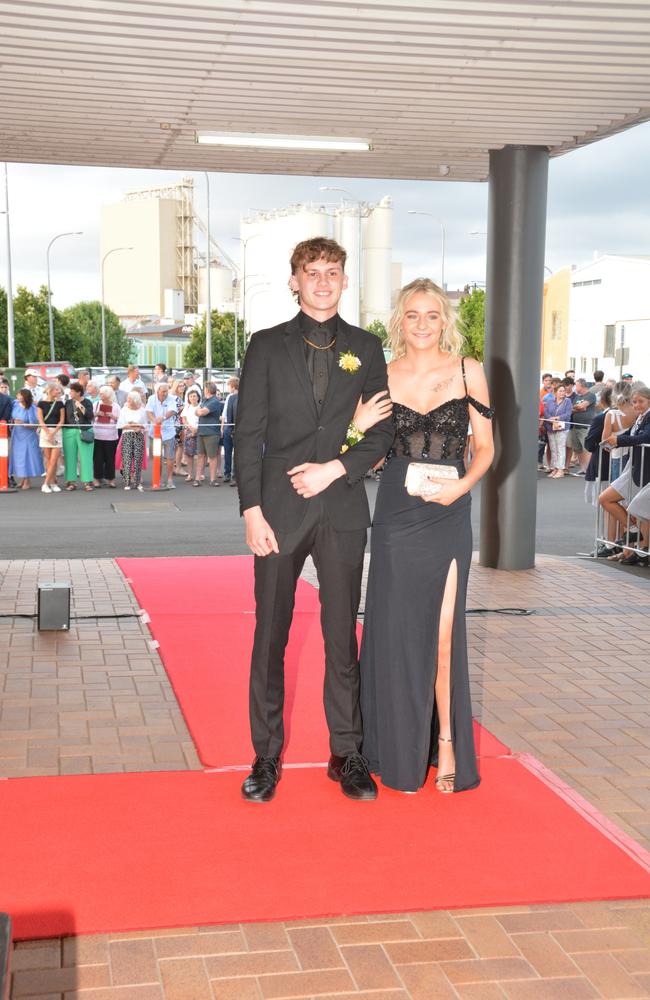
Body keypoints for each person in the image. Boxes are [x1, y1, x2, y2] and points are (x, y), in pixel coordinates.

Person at [235, 236, 394, 803]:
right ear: (294, 280)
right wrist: (251, 510)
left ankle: (346, 753)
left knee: (339, 636)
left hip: (343, 505)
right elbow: (248, 434)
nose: (323, 281)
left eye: (333, 272)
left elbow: (381, 430)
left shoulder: (367, 347)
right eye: (312, 272)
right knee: (270, 633)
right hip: (278, 508)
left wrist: (335, 470)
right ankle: (265, 756)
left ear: (346, 281)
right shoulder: (265, 346)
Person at [355, 278, 493, 794]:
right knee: (393, 631)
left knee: (441, 633)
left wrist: (463, 488)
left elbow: (485, 448)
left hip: (448, 512)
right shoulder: (382, 376)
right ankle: (395, 748)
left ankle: (447, 743)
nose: (421, 324)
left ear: (444, 321)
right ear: (399, 320)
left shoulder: (468, 371)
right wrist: (355, 424)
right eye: (412, 315)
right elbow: (364, 451)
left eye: (431, 315)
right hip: (395, 512)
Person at [599, 386, 650, 566]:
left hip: (643, 470)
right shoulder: (640, 417)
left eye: (640, 401)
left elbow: (645, 437)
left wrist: (619, 440)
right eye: (634, 401)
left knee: (638, 509)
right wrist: (614, 442)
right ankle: (635, 537)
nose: (636, 405)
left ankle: (639, 549)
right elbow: (632, 434)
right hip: (635, 467)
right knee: (606, 499)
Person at [145, 382, 178, 489]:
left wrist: (162, 418)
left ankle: (169, 480)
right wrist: (154, 420)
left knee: (170, 457)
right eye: (163, 391)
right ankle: (157, 480)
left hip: (168, 432)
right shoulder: (151, 399)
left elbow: (172, 411)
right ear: (157, 391)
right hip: (154, 432)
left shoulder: (171, 399)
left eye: (166, 391)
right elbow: (148, 411)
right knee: (156, 457)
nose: (165, 393)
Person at [63, 381, 95, 491]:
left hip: (85, 430)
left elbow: (90, 416)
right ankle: (71, 482)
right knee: (70, 457)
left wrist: (80, 406)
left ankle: (87, 482)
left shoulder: (87, 402)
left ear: (79, 392)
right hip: (69, 431)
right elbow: (65, 418)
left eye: (72, 391)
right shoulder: (67, 403)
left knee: (86, 457)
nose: (70, 393)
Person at [9, 389, 43, 488]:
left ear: (25, 397)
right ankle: (23, 479)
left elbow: (36, 425)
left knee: (28, 456)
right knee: (19, 457)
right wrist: (14, 421)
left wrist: (23, 423)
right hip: (17, 434)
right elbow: (11, 417)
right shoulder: (15, 404)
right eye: (18, 395)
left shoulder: (32, 408)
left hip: (29, 435)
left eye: (20, 395)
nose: (18, 397)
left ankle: (27, 480)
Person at [36, 381, 65, 492]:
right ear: (51, 390)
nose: (58, 392)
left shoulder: (60, 404)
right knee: (48, 460)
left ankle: (45, 483)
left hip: (57, 432)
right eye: (57, 389)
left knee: (54, 460)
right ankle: (53, 483)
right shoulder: (41, 403)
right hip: (45, 432)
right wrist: (48, 432)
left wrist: (53, 432)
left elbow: (61, 420)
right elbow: (40, 420)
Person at [117, 391, 147, 490]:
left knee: (138, 459)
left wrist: (139, 427)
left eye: (130, 399)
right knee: (127, 458)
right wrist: (132, 425)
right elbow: (120, 425)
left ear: (135, 400)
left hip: (139, 436)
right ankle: (127, 482)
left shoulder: (142, 410)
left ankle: (137, 482)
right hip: (127, 435)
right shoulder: (124, 410)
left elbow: (146, 425)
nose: (128, 401)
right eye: (128, 399)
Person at [194, 381, 223, 486]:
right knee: (200, 455)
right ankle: (197, 479)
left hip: (211, 432)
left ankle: (213, 479)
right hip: (201, 431)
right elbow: (197, 411)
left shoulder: (214, 401)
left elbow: (201, 412)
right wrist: (198, 411)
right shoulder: (205, 400)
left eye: (204, 388)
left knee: (212, 456)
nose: (203, 390)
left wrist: (199, 411)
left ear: (207, 389)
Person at [92, 384, 121, 487]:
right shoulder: (96, 404)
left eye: (102, 393)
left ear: (108, 394)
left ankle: (111, 479)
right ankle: (96, 479)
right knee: (97, 458)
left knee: (110, 458)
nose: (100, 395)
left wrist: (112, 416)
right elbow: (89, 417)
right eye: (100, 393)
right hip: (97, 435)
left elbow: (121, 420)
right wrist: (96, 414)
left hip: (111, 436)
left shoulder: (116, 406)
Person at [543, 383, 573, 477]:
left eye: (563, 391)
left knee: (560, 448)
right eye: (560, 391)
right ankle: (554, 468)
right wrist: (550, 419)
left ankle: (560, 469)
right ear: (555, 392)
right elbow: (546, 412)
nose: (562, 393)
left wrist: (557, 418)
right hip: (551, 427)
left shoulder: (567, 401)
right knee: (553, 448)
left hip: (562, 427)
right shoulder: (550, 401)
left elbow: (568, 414)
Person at [568, 378, 597, 472]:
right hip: (575, 426)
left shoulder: (591, 396)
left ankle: (589, 469)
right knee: (578, 449)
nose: (575, 387)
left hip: (585, 426)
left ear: (581, 386)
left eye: (576, 385)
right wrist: (579, 408)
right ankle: (583, 468)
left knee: (586, 449)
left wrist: (579, 408)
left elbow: (582, 406)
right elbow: (572, 409)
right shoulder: (577, 397)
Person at [180, 387, 201, 482]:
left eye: (194, 396)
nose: (192, 398)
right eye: (191, 396)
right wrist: (191, 429)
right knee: (189, 454)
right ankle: (190, 474)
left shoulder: (201, 406)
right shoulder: (187, 407)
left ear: (198, 397)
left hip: (200, 431)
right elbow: (184, 419)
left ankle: (200, 474)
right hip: (189, 431)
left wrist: (196, 430)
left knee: (200, 455)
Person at [221, 377, 239, 485]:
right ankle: (227, 473)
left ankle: (235, 476)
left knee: (236, 454)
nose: (228, 387)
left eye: (228, 385)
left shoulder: (238, 397)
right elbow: (226, 413)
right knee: (227, 452)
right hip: (229, 427)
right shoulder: (230, 397)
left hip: (235, 428)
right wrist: (224, 427)